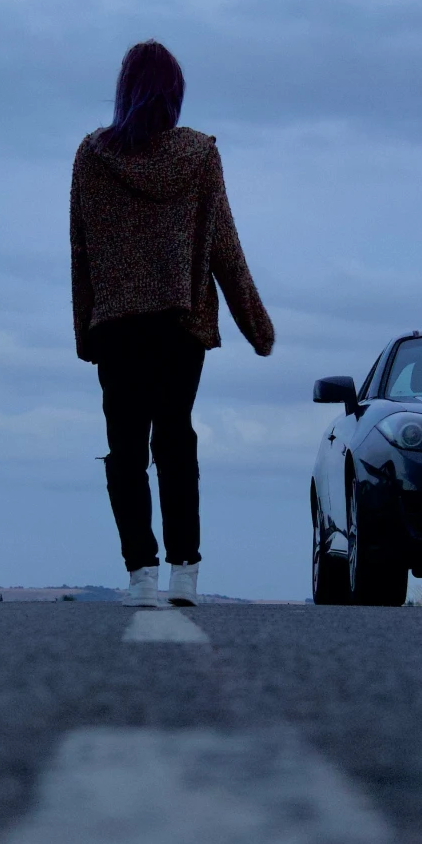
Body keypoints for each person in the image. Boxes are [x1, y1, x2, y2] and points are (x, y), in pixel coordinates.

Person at [71, 40, 275, 607]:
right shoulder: (200, 155)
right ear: (175, 94)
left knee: (125, 449)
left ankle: (141, 576)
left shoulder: (91, 155)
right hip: (180, 325)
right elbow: (224, 248)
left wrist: (85, 331)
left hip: (116, 326)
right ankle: (185, 573)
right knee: (176, 438)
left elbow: (80, 251)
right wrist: (258, 327)